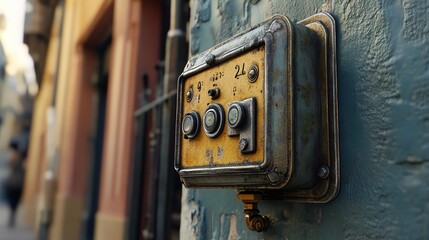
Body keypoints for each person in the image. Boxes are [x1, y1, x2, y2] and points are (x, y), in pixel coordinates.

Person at [4, 131, 28, 228]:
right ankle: (12, 215)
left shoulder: (19, 158)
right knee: (13, 201)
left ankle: (12, 216)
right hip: (15, 182)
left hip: (16, 183)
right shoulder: (16, 157)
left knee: (14, 201)